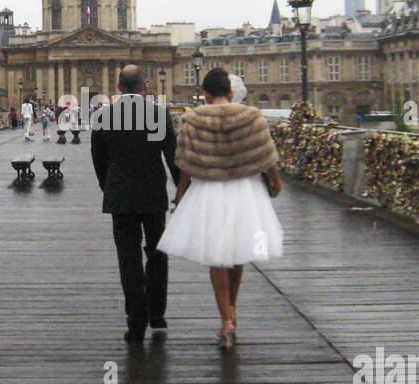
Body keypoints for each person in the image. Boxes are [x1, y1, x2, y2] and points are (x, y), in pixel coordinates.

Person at [156, 69, 283, 350]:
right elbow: (266, 152)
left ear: (206, 94)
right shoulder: (251, 116)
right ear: (230, 91)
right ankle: (233, 309)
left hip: (210, 189)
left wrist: (179, 196)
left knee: (217, 256)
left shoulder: (194, 118)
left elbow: (185, 163)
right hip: (244, 189)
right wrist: (275, 181)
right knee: (238, 253)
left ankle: (225, 319)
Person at [91, 65, 180, 342]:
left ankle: (136, 320)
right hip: (153, 193)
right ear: (145, 86)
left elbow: (99, 160)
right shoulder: (158, 114)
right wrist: (181, 191)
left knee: (128, 257)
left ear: (118, 88)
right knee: (157, 253)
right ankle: (157, 313)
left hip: (121, 197)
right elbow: (171, 156)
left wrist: (109, 186)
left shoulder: (104, 116)